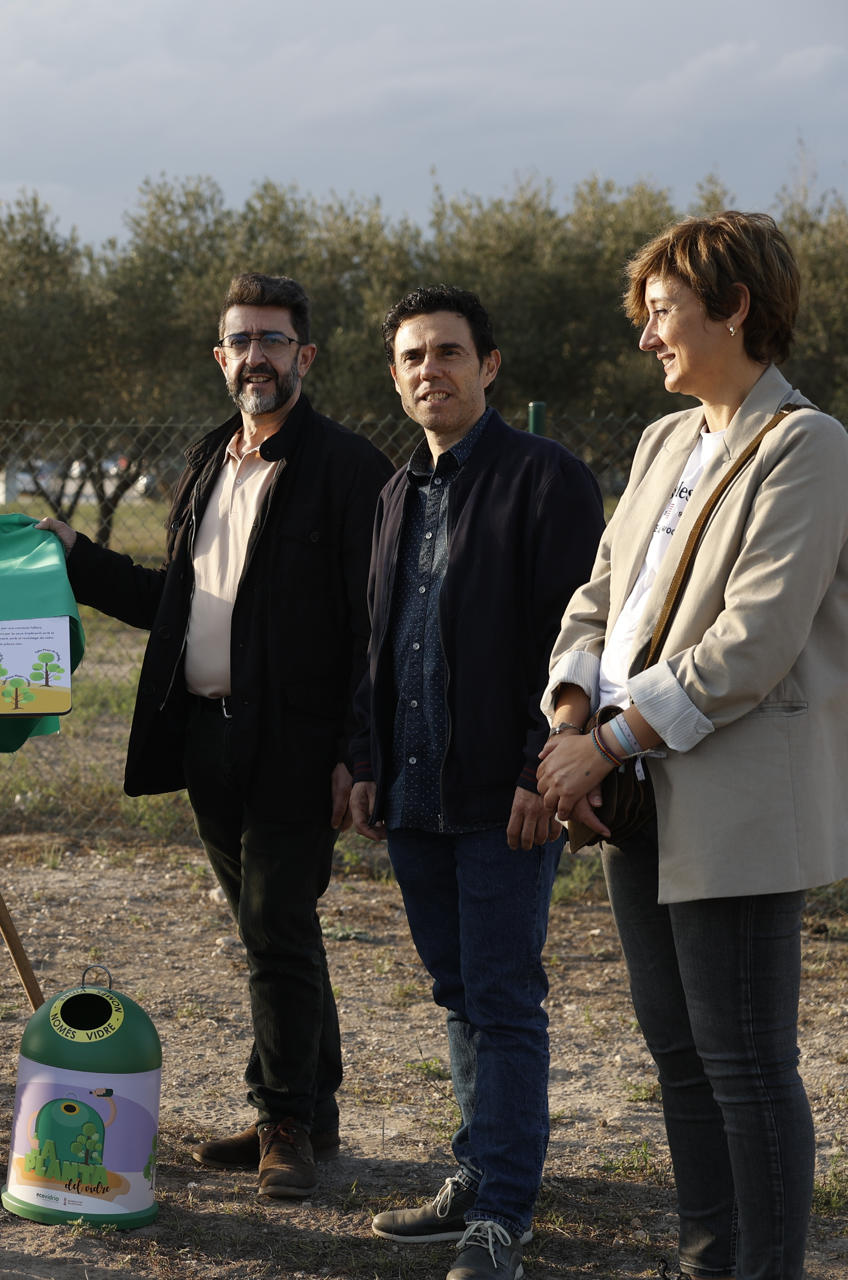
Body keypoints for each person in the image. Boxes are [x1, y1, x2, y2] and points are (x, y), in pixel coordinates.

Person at [538, 211, 847, 1280]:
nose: (646, 337)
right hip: (635, 789)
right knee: (679, 1055)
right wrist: (576, 717)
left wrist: (609, 743)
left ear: (735, 309)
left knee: (747, 1062)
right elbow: (599, 598)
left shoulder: (806, 445)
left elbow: (752, 642)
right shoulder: (665, 441)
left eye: (662, 313)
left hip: (733, 797)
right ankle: (708, 1259)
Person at [36, 273, 391, 1199]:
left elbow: (373, 628)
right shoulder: (206, 462)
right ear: (222, 356)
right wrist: (77, 560)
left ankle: (284, 1126)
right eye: (241, 341)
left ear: (304, 357)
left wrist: (357, 751)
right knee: (273, 926)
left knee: (276, 925)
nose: (256, 357)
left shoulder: (350, 470)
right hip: (207, 740)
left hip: (298, 746)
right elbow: (173, 604)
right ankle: (313, 1110)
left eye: (274, 340)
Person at [347, 285, 602, 1280]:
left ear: (489, 365)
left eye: (448, 352)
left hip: (509, 796)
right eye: (411, 356)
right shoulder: (393, 492)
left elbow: (576, 639)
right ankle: (474, 1173)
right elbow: (376, 643)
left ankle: (503, 1211)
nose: (428, 370)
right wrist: (365, 762)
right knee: (459, 993)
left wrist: (544, 768)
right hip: (415, 795)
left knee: (502, 998)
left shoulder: (549, 480)